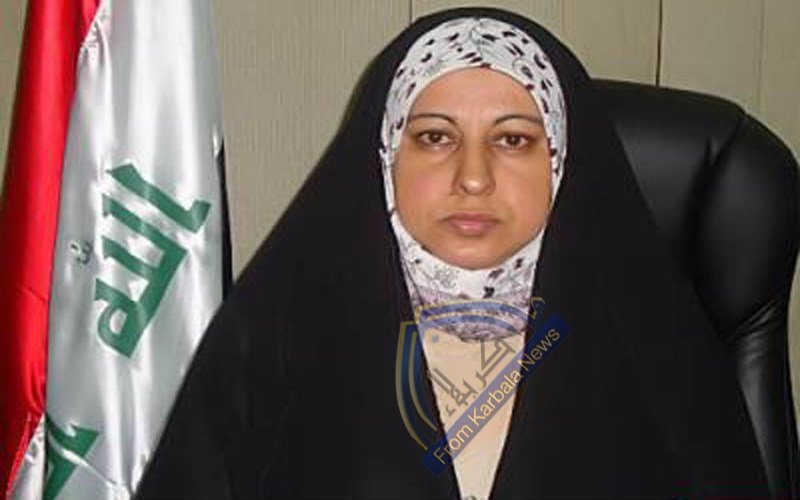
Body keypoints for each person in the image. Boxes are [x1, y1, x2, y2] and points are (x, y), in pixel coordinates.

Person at [136, 7, 770, 498]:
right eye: (435, 137)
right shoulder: (271, 338)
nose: (473, 178)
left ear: (562, 162)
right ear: (387, 156)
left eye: (513, 140)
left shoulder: (659, 349)